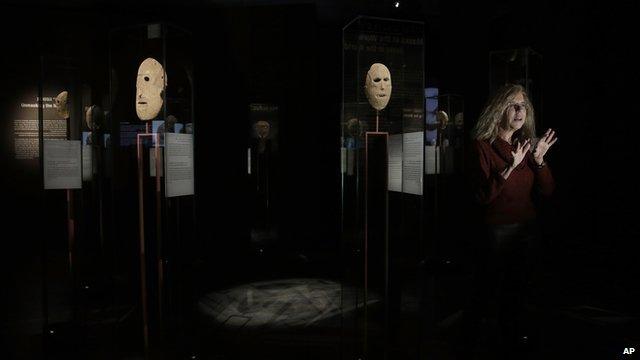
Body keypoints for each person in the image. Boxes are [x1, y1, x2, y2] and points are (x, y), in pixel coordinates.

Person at [465, 83, 557, 358]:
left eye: (523, 106)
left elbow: (548, 190)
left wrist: (538, 160)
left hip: (527, 230)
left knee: (523, 294)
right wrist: (509, 168)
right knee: (497, 295)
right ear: (499, 109)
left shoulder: (525, 145)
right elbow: (482, 197)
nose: (520, 110)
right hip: (497, 233)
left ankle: (519, 342)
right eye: (514, 105)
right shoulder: (481, 146)